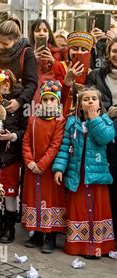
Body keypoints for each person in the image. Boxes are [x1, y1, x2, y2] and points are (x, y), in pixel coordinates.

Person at [0, 18, 38, 244]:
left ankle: (9, 226)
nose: (0, 47)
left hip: (17, 112)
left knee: (10, 173)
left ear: (14, 41)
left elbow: (31, 82)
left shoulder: (27, 53)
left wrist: (19, 101)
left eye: (5, 44)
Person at [52, 86, 115, 258]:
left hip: (96, 175)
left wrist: (94, 119)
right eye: (86, 99)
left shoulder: (105, 120)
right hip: (77, 175)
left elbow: (105, 138)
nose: (90, 102)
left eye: (94, 99)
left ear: (100, 104)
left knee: (96, 210)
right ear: (79, 105)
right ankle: (79, 246)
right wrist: (59, 168)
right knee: (79, 209)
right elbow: (65, 147)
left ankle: (97, 246)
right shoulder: (72, 123)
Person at [21, 81, 66, 253]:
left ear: (57, 102)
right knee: (35, 199)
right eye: (45, 100)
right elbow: (26, 141)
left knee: (50, 200)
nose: (48, 103)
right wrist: (30, 161)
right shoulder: (33, 119)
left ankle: (51, 236)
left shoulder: (59, 121)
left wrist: (42, 164)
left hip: (48, 169)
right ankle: (37, 233)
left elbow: (56, 144)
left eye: (51, 100)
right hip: (33, 168)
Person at [86, 37, 117, 234]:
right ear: (108, 53)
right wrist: (109, 110)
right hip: (103, 137)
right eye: (114, 51)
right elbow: (89, 100)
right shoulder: (96, 75)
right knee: (108, 185)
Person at [29, 19, 67, 103]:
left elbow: (66, 73)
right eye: (38, 30)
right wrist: (31, 60)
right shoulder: (27, 52)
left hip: (53, 93)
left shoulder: (59, 51)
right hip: (34, 92)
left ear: (49, 34)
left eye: (45, 30)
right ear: (32, 34)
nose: (41, 33)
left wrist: (54, 61)